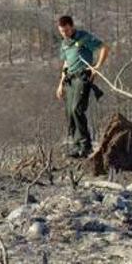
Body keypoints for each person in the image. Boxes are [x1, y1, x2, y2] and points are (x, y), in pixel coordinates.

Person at [55, 15, 109, 158]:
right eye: (61, 31)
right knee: (70, 113)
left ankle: (86, 146)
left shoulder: (83, 37)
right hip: (70, 80)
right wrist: (60, 84)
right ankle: (76, 146)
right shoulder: (65, 43)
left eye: (66, 30)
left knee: (77, 109)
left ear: (72, 26)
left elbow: (103, 47)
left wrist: (97, 67)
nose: (64, 33)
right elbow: (66, 63)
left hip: (82, 76)